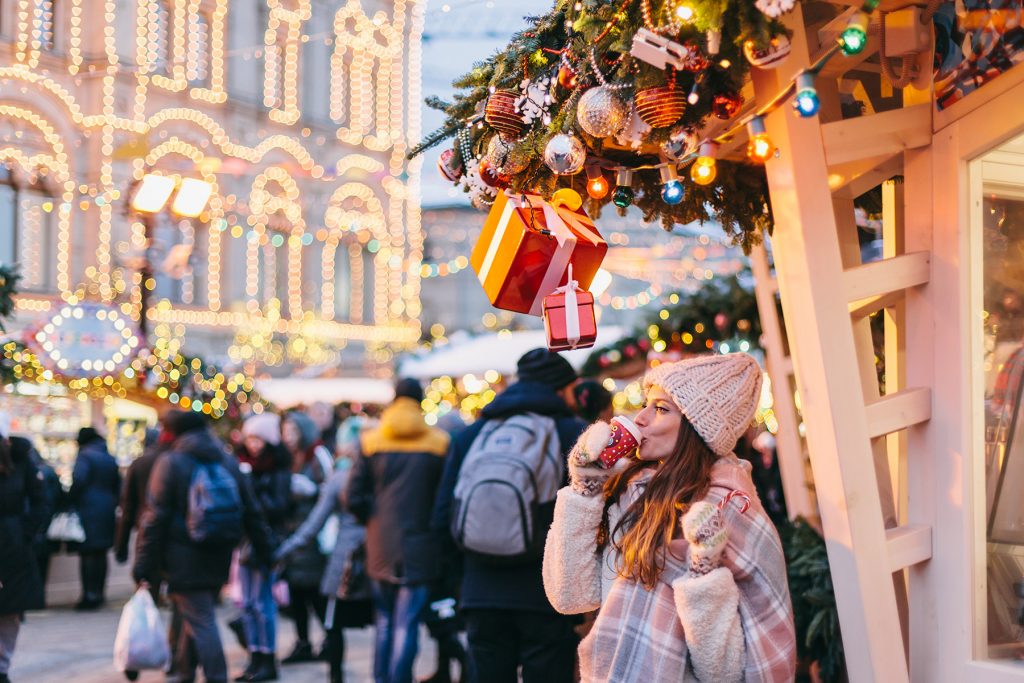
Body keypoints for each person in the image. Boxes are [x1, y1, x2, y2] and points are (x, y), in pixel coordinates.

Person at [542, 353, 797, 682]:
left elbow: (724, 673)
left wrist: (702, 572)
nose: (640, 418)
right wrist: (584, 488)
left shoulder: (728, 508)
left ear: (697, 427)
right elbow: (571, 595)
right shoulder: (634, 493)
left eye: (660, 409)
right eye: (646, 405)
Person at [432, 349, 586, 683]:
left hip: (481, 590)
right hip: (547, 596)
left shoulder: (472, 435)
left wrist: (460, 580)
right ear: (561, 389)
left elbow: (443, 514)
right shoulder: (574, 434)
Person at [134, 411, 275, 683]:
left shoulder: (171, 462)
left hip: (182, 555)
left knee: (202, 620)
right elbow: (252, 511)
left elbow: (154, 517)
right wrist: (266, 549)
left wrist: (143, 563)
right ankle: (184, 673)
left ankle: (215, 677)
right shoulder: (227, 460)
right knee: (196, 616)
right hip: (219, 552)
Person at [347, 378, 449, 683]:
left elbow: (353, 496)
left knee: (385, 621)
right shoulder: (439, 443)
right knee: (408, 623)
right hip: (421, 544)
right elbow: (444, 498)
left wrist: (373, 520)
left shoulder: (370, 441)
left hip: (380, 543)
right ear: (420, 402)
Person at [274, 449, 371, 683]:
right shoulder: (383, 476)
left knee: (334, 623)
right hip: (379, 558)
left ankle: (336, 677)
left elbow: (313, 525)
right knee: (389, 626)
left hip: (346, 563)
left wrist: (281, 552)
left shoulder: (340, 479)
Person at [235, 412, 293, 682]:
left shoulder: (278, 469)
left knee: (262, 603)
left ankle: (267, 658)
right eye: (250, 438)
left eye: (258, 438)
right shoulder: (242, 466)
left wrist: (252, 499)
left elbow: (280, 506)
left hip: (267, 541)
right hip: (246, 542)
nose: (253, 444)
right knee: (247, 604)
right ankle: (255, 656)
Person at [279, 411, 333, 664]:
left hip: (313, 535)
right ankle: (303, 642)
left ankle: (329, 640)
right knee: (297, 594)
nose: (288, 437)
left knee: (315, 594)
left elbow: (330, 491)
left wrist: (311, 491)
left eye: (293, 431)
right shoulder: (288, 458)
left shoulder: (317, 455)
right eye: (285, 431)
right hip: (293, 534)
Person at [0, 412, 49, 683]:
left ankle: (2, 667)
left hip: (12, 548)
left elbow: (42, 501)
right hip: (14, 542)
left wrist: (25, 533)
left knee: (9, 611)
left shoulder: (21, 461)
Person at [67, 426, 121, 610]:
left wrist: (69, 500)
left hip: (88, 509)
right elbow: (117, 486)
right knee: (100, 553)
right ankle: (98, 593)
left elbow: (78, 481)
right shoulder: (109, 457)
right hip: (106, 510)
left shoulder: (85, 456)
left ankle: (89, 596)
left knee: (88, 553)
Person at [115, 422, 173, 565]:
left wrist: (121, 544)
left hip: (145, 528)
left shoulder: (140, 463)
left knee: (147, 578)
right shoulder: (175, 459)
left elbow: (128, 505)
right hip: (172, 531)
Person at [17, 436, 58, 594]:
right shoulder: (46, 470)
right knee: (40, 564)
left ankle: (32, 595)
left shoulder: (23, 471)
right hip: (42, 526)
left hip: (29, 527)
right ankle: (38, 595)